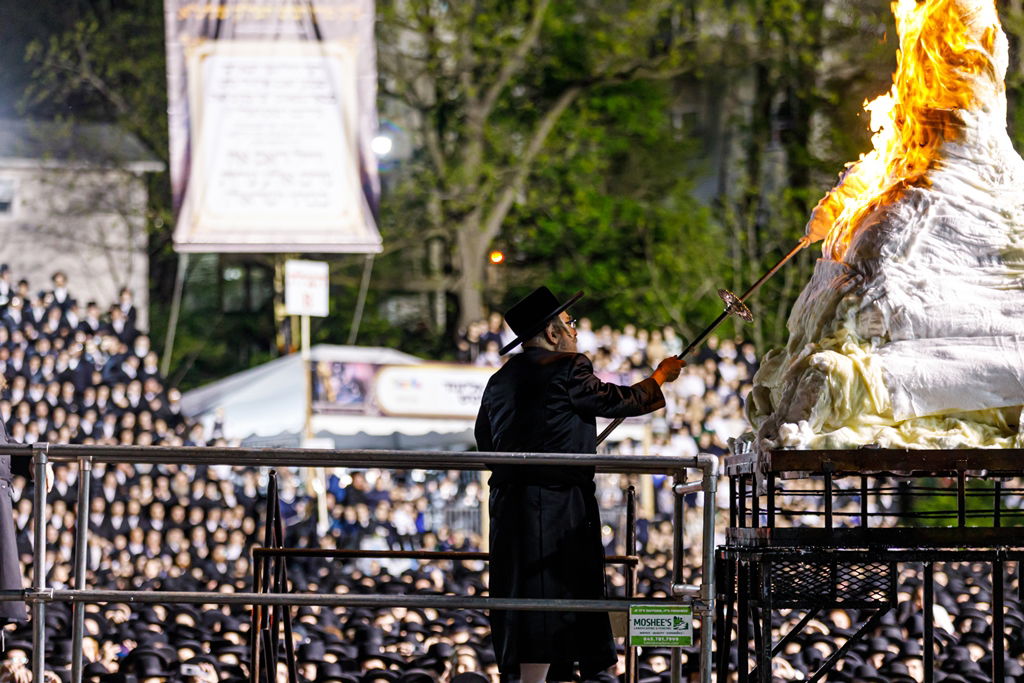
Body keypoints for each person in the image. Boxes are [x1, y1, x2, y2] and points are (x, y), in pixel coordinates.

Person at [474, 287, 684, 683]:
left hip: (507, 503)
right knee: (556, 588)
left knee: (522, 590)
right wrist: (660, 377)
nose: (576, 331)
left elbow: (487, 442)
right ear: (552, 334)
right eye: (570, 324)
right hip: (555, 502)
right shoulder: (568, 367)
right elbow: (617, 400)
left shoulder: (499, 380)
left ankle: (545, 674)